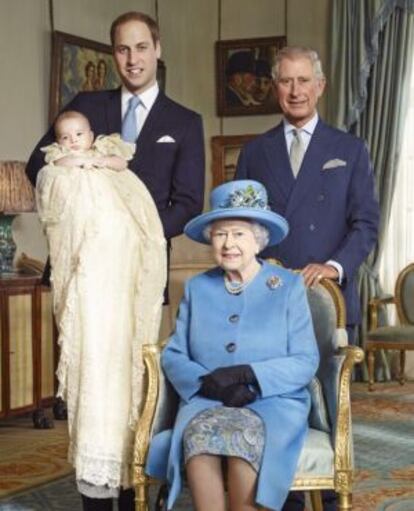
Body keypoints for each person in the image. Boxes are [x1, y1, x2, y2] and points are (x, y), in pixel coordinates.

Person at [235, 46, 379, 511]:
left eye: (303, 81)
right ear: (274, 88)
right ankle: (286, 500)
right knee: (277, 408)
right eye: (285, 81)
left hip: (328, 302)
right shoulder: (255, 153)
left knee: (330, 414)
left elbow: (366, 225)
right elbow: (242, 227)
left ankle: (334, 500)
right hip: (270, 304)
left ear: (320, 86)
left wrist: (333, 268)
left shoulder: (349, 149)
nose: (295, 91)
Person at [145, 179, 320, 511]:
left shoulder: (287, 287)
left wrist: (248, 375)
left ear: (258, 240)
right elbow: (175, 353)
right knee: (199, 437)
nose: (228, 244)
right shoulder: (199, 287)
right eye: (220, 234)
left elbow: (305, 359)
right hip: (207, 399)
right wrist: (209, 385)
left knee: (242, 437)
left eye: (238, 234)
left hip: (273, 401)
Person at [36, 109, 167, 511]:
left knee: (131, 382)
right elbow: (56, 217)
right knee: (94, 385)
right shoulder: (57, 170)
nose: (74, 142)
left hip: (127, 293)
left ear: (91, 134)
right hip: (91, 297)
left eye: (80, 134)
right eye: (67, 136)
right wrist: (76, 160)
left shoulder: (112, 163)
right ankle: (96, 489)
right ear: (59, 141)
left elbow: (131, 186)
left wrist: (97, 159)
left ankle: (133, 485)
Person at [26, 10, 205, 285]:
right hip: (78, 260)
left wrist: (136, 231)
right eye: (123, 50)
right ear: (113, 53)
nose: (133, 60)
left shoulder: (186, 122)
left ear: (157, 49)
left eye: (141, 48)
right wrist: (76, 207)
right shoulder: (84, 105)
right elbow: (37, 165)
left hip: (143, 262)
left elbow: (188, 204)